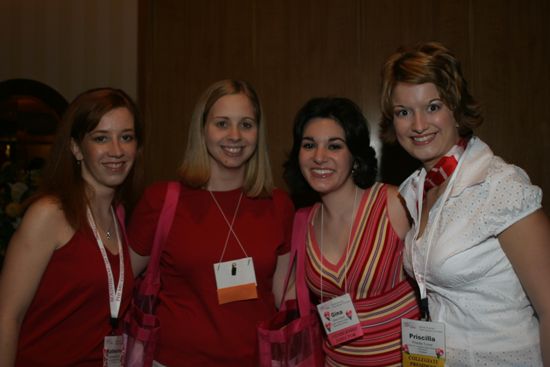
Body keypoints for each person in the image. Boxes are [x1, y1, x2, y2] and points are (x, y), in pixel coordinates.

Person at [379, 41, 550, 366]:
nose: (417, 125)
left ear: (456, 108)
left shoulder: (500, 184)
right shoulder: (416, 191)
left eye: (432, 106)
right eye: (403, 112)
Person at [128, 79, 294, 367]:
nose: (235, 135)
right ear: (202, 130)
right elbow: (117, 284)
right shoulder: (162, 201)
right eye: (221, 123)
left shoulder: (278, 204)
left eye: (246, 124)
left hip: (258, 360)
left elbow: (284, 294)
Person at [0, 87, 143, 366]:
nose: (117, 150)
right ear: (77, 148)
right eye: (101, 138)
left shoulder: (120, 215)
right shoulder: (50, 215)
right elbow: (7, 316)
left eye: (126, 137)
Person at [283, 97, 420, 366]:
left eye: (334, 146)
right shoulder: (303, 221)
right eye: (309, 145)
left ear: (355, 157)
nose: (319, 156)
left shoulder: (394, 203)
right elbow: (285, 297)